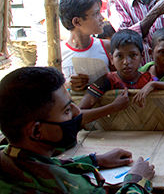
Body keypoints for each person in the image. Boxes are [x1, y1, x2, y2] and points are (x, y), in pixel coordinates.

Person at [0, 67, 154, 193]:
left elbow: (39, 163)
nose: (77, 112)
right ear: (36, 131)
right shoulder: (72, 188)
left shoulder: (7, 155)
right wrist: (137, 180)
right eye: (67, 111)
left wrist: (94, 161)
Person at [79, 29, 152, 111]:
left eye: (133, 55)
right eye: (120, 56)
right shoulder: (106, 81)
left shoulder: (148, 79)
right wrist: (113, 107)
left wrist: (153, 84)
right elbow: (79, 113)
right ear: (111, 59)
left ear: (142, 56)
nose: (126, 62)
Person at [59, 0, 111, 91]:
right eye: (96, 14)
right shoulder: (58, 54)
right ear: (77, 22)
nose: (102, 18)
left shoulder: (106, 47)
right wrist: (68, 85)